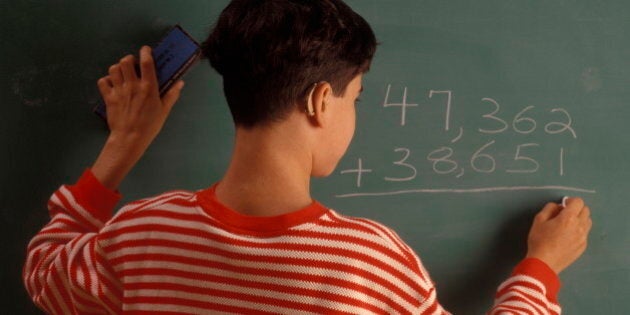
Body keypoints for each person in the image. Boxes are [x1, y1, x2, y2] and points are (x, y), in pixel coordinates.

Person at [23, 0, 592, 314]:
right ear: (322, 99)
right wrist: (539, 269)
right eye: (356, 99)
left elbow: (44, 272)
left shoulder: (144, 235)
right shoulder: (370, 267)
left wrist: (123, 146)